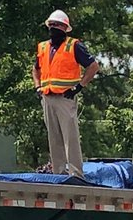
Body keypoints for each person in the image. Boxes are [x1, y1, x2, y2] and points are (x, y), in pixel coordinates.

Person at [32, 10, 99, 179]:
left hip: (65, 98)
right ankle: (59, 174)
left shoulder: (74, 45)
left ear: (65, 28)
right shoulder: (43, 47)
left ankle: (76, 175)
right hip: (47, 97)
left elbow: (93, 66)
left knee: (70, 137)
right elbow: (36, 68)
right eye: (51, 25)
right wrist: (38, 87)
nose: (53, 28)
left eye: (57, 25)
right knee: (54, 138)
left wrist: (79, 86)